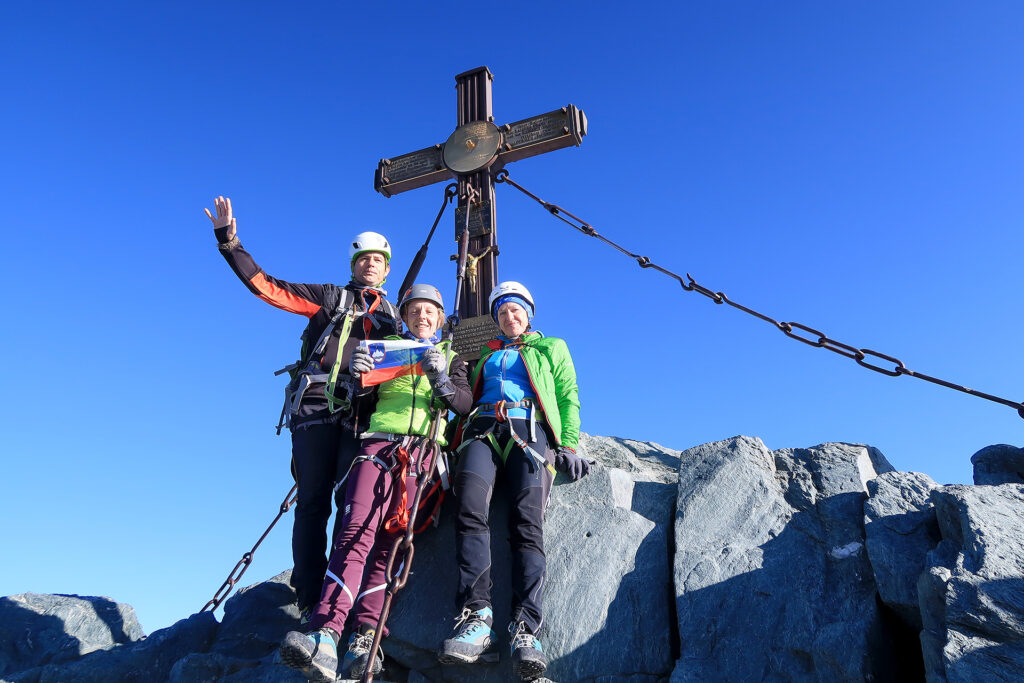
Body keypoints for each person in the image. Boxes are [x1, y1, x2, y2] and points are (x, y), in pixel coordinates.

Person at [204, 196, 402, 620]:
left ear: (387, 268)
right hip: (315, 409)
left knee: (353, 504)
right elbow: (268, 288)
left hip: (361, 417)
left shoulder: (394, 318)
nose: (370, 264)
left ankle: (336, 595)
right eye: (364, 259)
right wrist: (230, 242)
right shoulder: (328, 298)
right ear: (353, 266)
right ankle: (311, 595)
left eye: (378, 259)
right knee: (313, 501)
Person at [279, 284, 473, 682]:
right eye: (416, 310)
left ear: (439, 319)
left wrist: (442, 379)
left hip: (422, 456)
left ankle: (365, 634)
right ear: (405, 316)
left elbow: (464, 405)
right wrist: (359, 375)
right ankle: (327, 630)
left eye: (430, 312)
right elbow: (362, 408)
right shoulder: (386, 350)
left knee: (389, 545)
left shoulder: (451, 358)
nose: (423, 316)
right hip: (377, 447)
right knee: (355, 533)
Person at [437, 281, 590, 680]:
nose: (509, 316)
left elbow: (568, 394)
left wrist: (569, 444)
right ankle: (477, 617)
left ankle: (526, 627)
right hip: (482, 427)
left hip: (530, 429)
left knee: (527, 523)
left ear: (529, 313)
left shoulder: (551, 347)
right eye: (502, 312)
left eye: (516, 310)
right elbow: (461, 400)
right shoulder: (484, 356)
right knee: (469, 509)